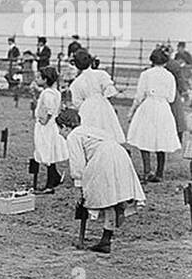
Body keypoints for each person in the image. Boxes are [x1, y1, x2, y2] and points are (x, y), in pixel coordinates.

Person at [58, 107, 145, 254]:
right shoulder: (89, 129)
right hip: (120, 154)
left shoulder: (73, 136)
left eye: (59, 129)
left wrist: (80, 188)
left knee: (103, 199)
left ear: (65, 127)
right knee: (112, 199)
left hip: (103, 158)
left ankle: (107, 236)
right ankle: (106, 239)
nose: (59, 133)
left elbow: (78, 165)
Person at [127, 47, 181, 182]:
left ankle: (147, 171)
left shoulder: (146, 74)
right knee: (160, 139)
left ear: (152, 60)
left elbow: (139, 95)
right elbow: (171, 98)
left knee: (144, 137)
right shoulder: (170, 76)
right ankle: (159, 173)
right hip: (163, 108)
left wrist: (132, 110)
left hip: (148, 106)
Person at [68, 49, 125, 143]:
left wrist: (87, 105)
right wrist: (103, 100)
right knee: (107, 129)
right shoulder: (101, 74)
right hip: (102, 104)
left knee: (90, 134)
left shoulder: (75, 83)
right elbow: (110, 91)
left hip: (87, 107)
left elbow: (77, 103)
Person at [33, 66, 70, 192]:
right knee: (48, 152)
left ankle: (50, 184)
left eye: (39, 77)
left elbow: (49, 109)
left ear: (45, 79)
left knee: (46, 151)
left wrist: (44, 120)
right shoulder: (56, 92)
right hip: (51, 125)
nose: (36, 79)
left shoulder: (47, 93)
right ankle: (54, 176)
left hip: (46, 126)